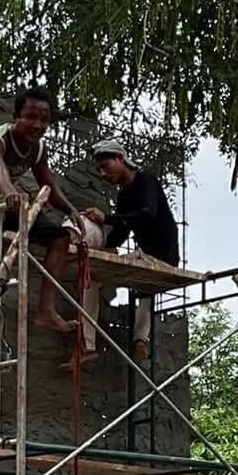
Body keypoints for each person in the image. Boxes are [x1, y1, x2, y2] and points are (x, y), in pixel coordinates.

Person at [0, 85, 83, 331]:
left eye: (44, 120)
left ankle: (46, 311)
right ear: (17, 117)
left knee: (60, 238)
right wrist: (9, 191)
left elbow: (49, 185)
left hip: (4, 203)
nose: (38, 125)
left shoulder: (38, 149)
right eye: (31, 117)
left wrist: (70, 210)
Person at [90, 139, 181, 362]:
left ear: (120, 159)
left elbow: (147, 214)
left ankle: (88, 341)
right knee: (143, 290)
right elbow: (121, 233)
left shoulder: (146, 180)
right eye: (99, 169)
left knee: (95, 279)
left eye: (105, 166)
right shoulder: (123, 196)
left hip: (162, 256)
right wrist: (100, 246)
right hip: (145, 258)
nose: (103, 173)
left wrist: (107, 217)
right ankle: (140, 340)